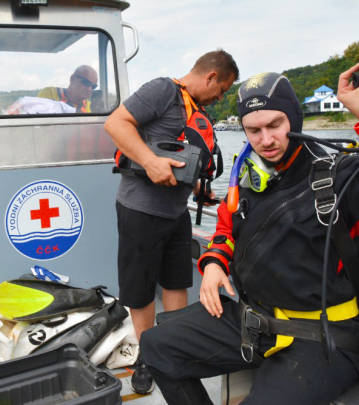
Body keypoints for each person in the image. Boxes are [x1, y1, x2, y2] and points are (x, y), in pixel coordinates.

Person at [140, 70, 359, 404]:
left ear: (295, 118)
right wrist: (214, 264)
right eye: (253, 130)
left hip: (322, 337)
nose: (266, 140)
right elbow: (226, 232)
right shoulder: (246, 177)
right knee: (156, 345)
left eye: (276, 125)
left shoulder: (341, 175)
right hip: (253, 320)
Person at [103, 49, 239, 394]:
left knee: (177, 282)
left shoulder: (197, 110)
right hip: (140, 211)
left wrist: (198, 191)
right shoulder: (163, 90)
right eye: (222, 90)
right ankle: (147, 356)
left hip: (176, 214)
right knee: (141, 289)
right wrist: (149, 161)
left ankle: (172, 349)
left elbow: (178, 159)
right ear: (210, 77)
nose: (220, 97)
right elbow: (115, 123)